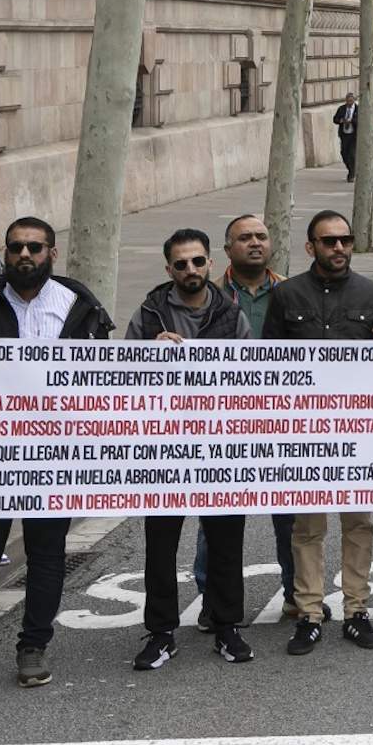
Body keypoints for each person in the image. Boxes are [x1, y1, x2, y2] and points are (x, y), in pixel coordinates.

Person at [0, 217, 111, 699]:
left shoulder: (80, 308)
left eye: (35, 247)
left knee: (46, 555)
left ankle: (33, 646)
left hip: (54, 458)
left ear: (52, 253)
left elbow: (102, 384)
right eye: (16, 247)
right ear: (7, 253)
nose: (24, 255)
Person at [260, 211, 373, 657]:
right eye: (329, 241)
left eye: (346, 240)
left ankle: (357, 610)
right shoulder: (286, 295)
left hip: (359, 431)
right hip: (304, 431)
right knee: (306, 526)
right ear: (311, 247)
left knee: (358, 523)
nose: (339, 247)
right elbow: (269, 361)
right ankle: (310, 613)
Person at [125, 228, 254, 672]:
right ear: (169, 269)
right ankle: (161, 632)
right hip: (164, 451)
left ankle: (226, 625)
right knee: (160, 547)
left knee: (226, 542)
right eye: (181, 264)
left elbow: (252, 378)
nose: (190, 269)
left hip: (220, 448)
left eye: (198, 261)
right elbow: (121, 378)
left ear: (210, 264)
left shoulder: (231, 314)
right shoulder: (149, 314)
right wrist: (147, 353)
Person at [215, 214, 300, 622]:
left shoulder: (292, 293)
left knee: (291, 520)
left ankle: (298, 594)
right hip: (224, 426)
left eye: (261, 236)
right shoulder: (210, 297)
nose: (255, 243)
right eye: (245, 237)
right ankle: (214, 601)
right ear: (227, 249)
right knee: (218, 521)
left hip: (282, 423)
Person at [333, 92, 359, 181]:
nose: (349, 102)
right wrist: (341, 120)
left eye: (351, 101)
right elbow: (335, 119)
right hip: (344, 135)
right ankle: (351, 169)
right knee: (344, 153)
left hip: (354, 135)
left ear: (354, 100)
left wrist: (351, 121)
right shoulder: (342, 108)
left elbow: (360, 120)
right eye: (348, 101)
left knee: (352, 154)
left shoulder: (358, 109)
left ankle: (352, 174)